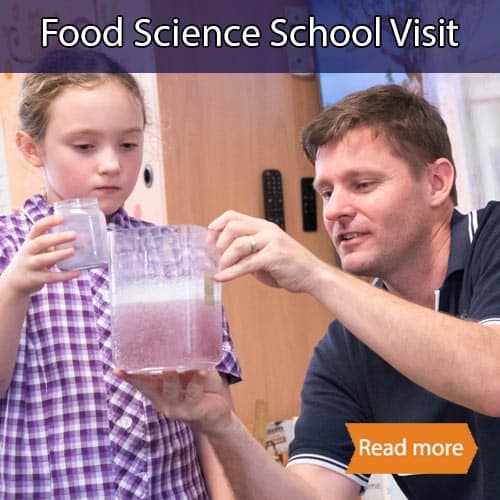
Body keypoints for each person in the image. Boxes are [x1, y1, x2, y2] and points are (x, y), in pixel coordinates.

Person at [119, 84, 500, 500]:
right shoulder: (347, 351)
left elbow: (492, 377)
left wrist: (316, 275)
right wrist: (221, 425)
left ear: (437, 182)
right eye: (327, 191)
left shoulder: (493, 238)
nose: (335, 209)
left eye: (363, 184)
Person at [0, 50, 241, 498]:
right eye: (85, 146)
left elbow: (213, 415)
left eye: (128, 145)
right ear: (31, 148)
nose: (111, 164)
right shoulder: (8, 247)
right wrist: (13, 288)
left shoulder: (173, 255)